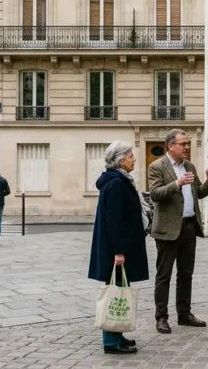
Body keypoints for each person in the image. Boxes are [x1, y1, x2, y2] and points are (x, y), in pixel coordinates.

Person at [147, 128, 208, 334]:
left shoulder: (189, 165)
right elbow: (154, 194)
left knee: (186, 274)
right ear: (170, 146)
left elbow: (197, 192)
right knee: (164, 275)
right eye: (182, 144)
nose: (186, 147)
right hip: (167, 230)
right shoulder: (156, 167)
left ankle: (184, 314)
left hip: (189, 226)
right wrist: (176, 183)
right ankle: (161, 317)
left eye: (187, 143)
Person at [88, 142, 149, 355]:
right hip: (117, 247)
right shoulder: (116, 184)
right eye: (131, 156)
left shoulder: (119, 180)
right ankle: (111, 341)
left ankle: (117, 334)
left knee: (120, 288)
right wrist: (118, 251)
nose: (134, 159)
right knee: (115, 290)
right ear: (120, 159)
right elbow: (114, 220)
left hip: (121, 245)